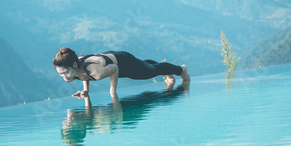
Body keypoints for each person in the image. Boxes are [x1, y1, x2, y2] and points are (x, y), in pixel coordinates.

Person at [53, 48, 190, 97]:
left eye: (65, 72)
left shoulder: (96, 71)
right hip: (110, 57)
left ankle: (181, 69)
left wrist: (113, 92)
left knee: (149, 72)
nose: (64, 77)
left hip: (123, 61)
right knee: (145, 67)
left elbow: (114, 69)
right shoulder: (74, 68)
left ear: (75, 65)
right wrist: (85, 90)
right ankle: (166, 72)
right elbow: (83, 74)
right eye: (60, 74)